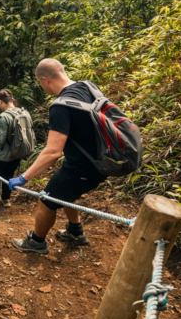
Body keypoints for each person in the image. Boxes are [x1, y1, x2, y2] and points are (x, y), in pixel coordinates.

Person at [8, 59, 108, 254]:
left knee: (46, 200)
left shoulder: (60, 106)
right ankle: (76, 231)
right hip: (103, 159)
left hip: (83, 168)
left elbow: (53, 152)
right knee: (67, 193)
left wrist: (24, 177)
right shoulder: (88, 87)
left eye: (40, 84)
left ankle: (36, 242)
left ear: (45, 80)